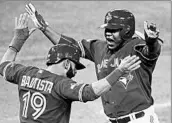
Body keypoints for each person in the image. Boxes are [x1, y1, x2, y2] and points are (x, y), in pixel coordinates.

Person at [25, 3, 163, 123]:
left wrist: (151, 41)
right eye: (107, 30)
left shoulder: (136, 48)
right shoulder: (99, 48)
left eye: (113, 30)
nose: (108, 34)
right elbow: (71, 47)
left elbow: (151, 52)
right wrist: (45, 29)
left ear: (126, 31)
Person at [0, 13, 141, 123]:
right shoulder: (61, 85)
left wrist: (17, 40)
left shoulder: (25, 73)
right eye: (74, 66)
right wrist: (119, 71)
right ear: (66, 63)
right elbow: (91, 92)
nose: (76, 71)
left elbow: (3, 66)